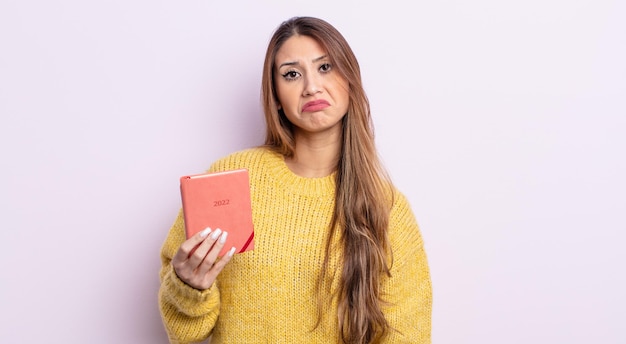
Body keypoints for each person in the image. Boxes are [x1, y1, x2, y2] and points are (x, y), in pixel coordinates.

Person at [158, 16, 432, 344]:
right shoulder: (231, 179)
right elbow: (184, 332)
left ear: (351, 78)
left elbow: (407, 335)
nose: (311, 86)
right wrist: (188, 285)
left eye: (325, 67)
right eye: (291, 74)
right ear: (275, 95)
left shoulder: (387, 208)